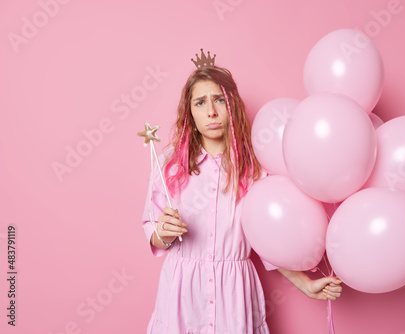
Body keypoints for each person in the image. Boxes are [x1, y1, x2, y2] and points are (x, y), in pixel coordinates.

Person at [141, 50, 342, 334]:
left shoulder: (253, 168)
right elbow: (153, 231)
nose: (211, 111)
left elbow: (267, 240)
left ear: (232, 105)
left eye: (219, 100)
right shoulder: (170, 164)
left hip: (233, 296)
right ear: (190, 112)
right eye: (200, 103)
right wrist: (162, 232)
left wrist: (306, 284)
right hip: (182, 295)